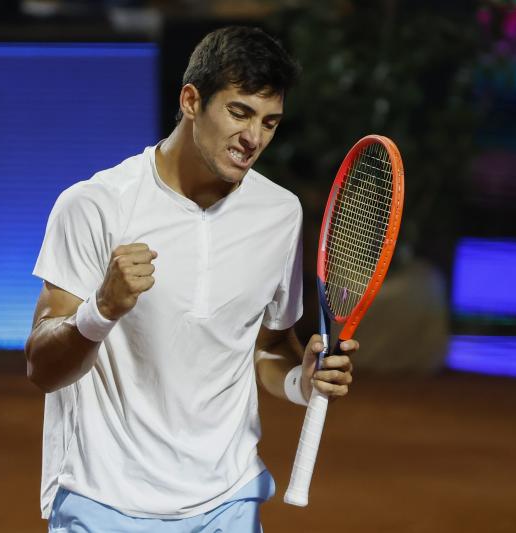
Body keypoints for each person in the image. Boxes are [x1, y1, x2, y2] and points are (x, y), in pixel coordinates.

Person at [26, 26, 357, 532]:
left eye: (270, 122)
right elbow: (41, 367)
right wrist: (101, 310)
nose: (253, 139)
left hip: (228, 500)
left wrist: (300, 380)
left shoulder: (280, 214)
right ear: (190, 100)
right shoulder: (93, 206)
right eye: (239, 112)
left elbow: (268, 344)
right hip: (103, 500)